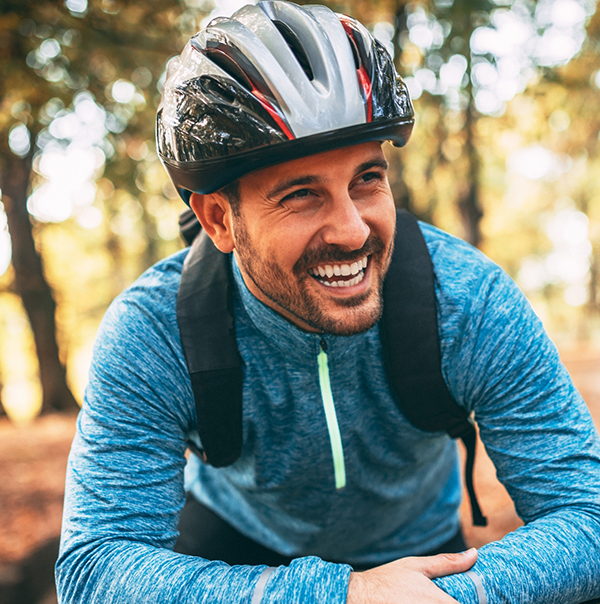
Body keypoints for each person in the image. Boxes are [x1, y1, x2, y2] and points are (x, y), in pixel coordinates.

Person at [56, 2, 600, 603]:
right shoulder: (154, 333)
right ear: (218, 218)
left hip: (420, 549)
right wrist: (340, 595)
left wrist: (452, 596)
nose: (353, 231)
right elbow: (95, 566)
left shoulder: (468, 302)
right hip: (236, 549)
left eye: (367, 178)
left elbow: (587, 515)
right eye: (300, 194)